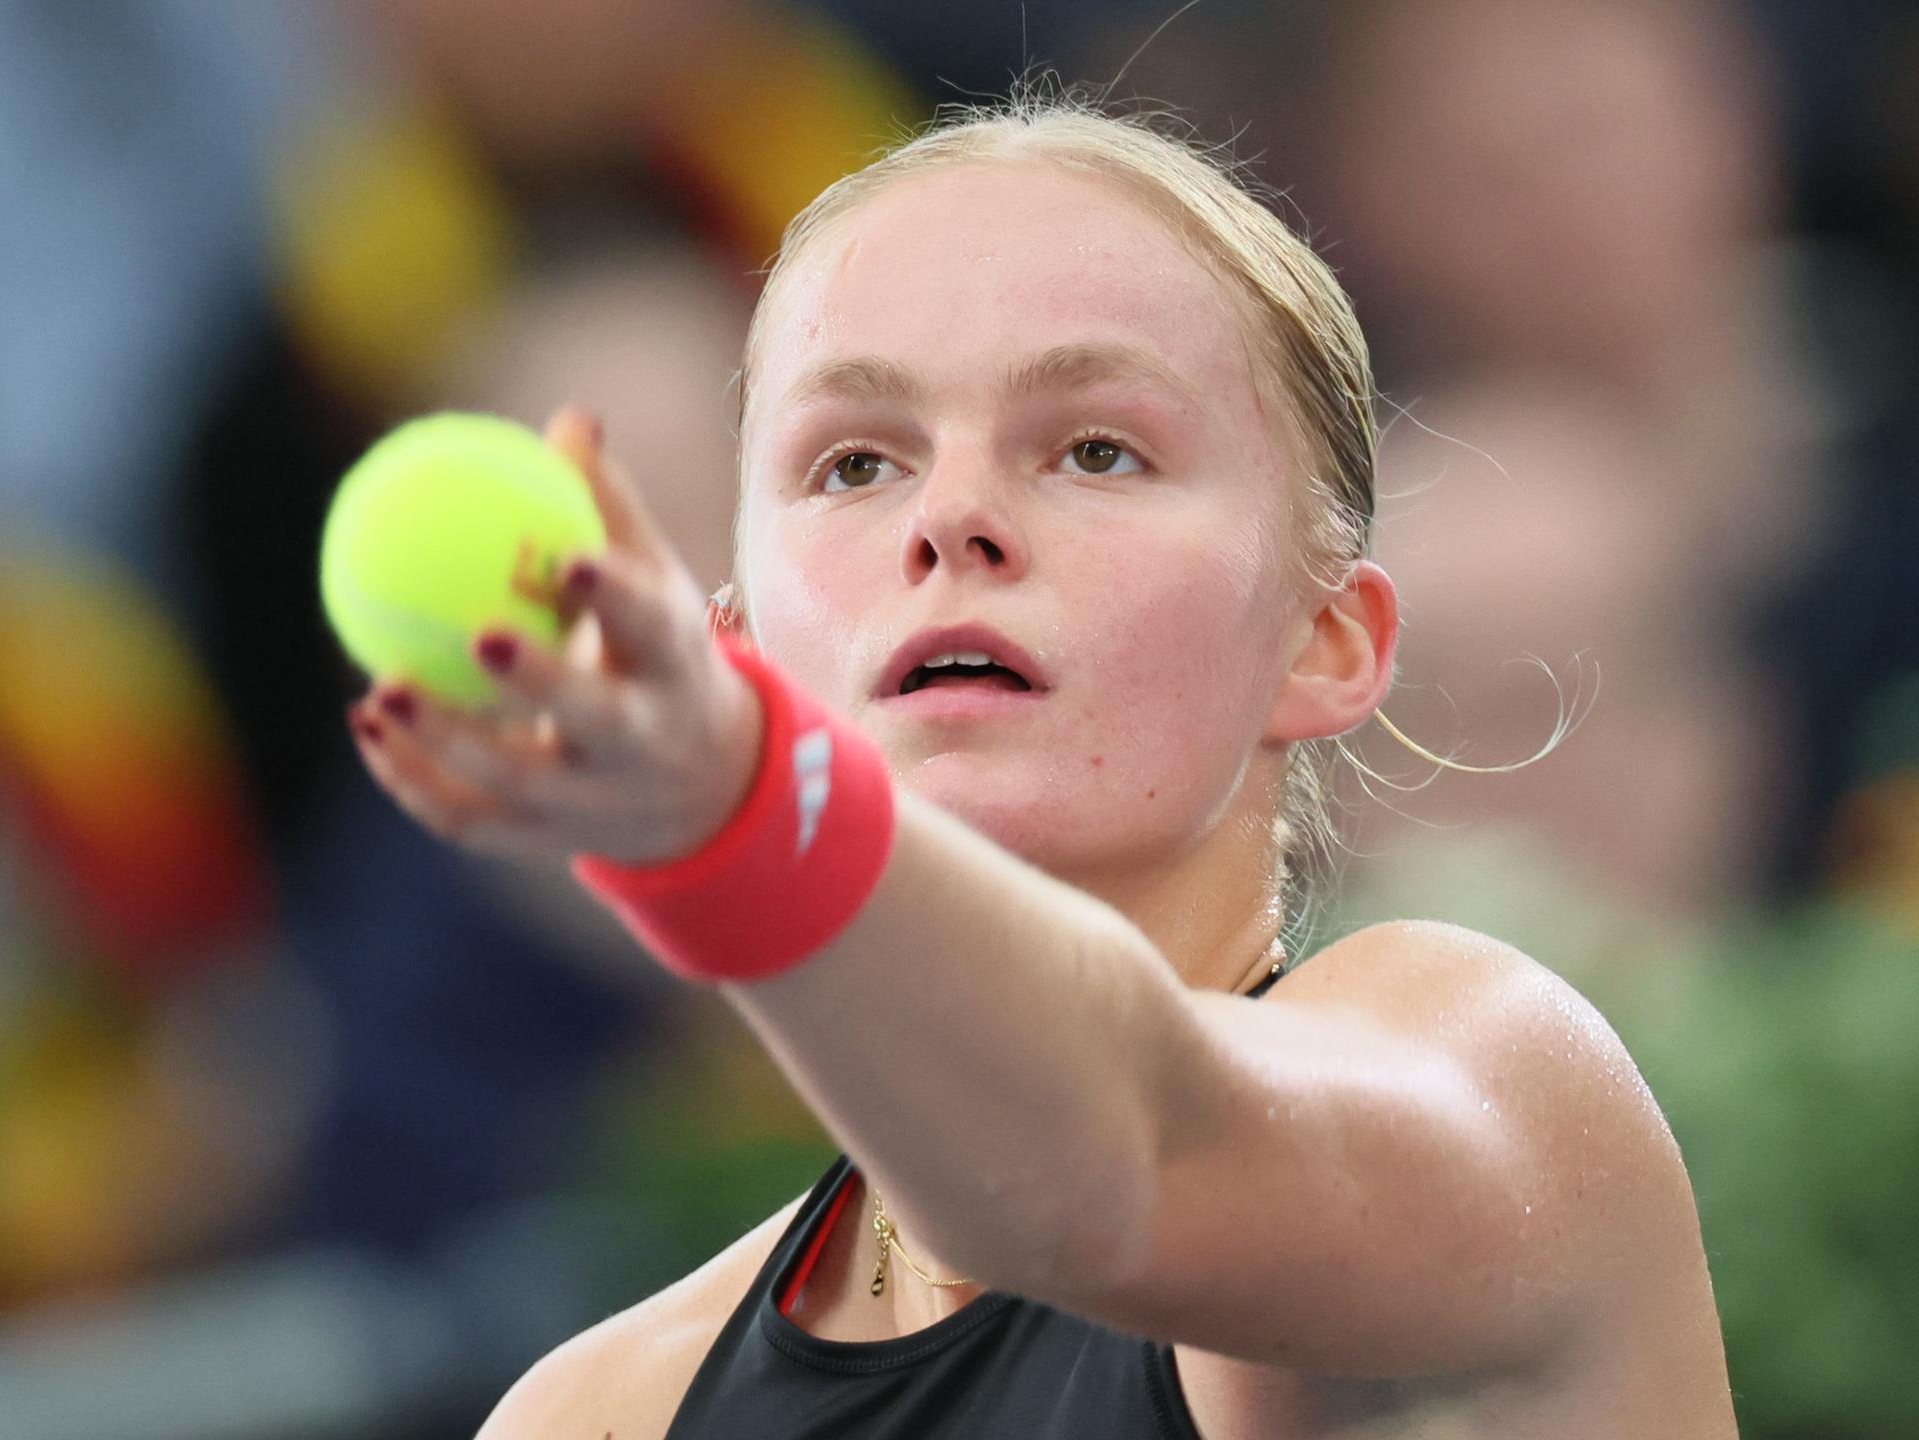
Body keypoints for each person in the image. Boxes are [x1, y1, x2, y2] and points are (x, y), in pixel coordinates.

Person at [346, 92, 1738, 1438]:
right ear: (746, 637)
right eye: (852, 464)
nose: (952, 517)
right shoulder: (597, 1418)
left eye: (1094, 449)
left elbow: (1100, 1178)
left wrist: (737, 805)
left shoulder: (1503, 1088)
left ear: (1321, 640)